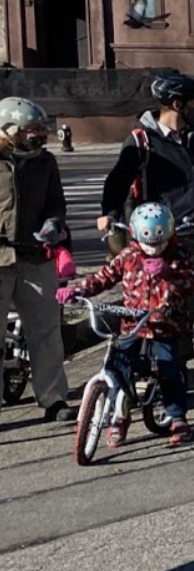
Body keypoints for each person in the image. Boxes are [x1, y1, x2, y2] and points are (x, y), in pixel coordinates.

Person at [98, 71, 194, 387]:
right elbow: (118, 181)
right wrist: (108, 213)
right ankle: (173, 373)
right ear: (177, 104)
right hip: (177, 238)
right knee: (175, 309)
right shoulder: (142, 140)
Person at [64, 201, 194, 446]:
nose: (154, 249)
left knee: (169, 366)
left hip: (164, 322)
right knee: (119, 364)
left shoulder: (180, 254)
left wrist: (169, 274)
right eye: (149, 243)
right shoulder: (129, 256)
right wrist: (77, 290)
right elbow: (104, 277)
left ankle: (178, 416)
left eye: (160, 243)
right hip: (132, 322)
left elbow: (192, 284)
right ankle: (120, 415)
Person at [0, 96, 71, 420]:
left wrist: (54, 222)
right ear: (9, 130)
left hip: (35, 257)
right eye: (32, 130)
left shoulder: (45, 162)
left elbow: (56, 202)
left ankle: (54, 399)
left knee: (46, 332)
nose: (39, 135)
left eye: (41, 129)